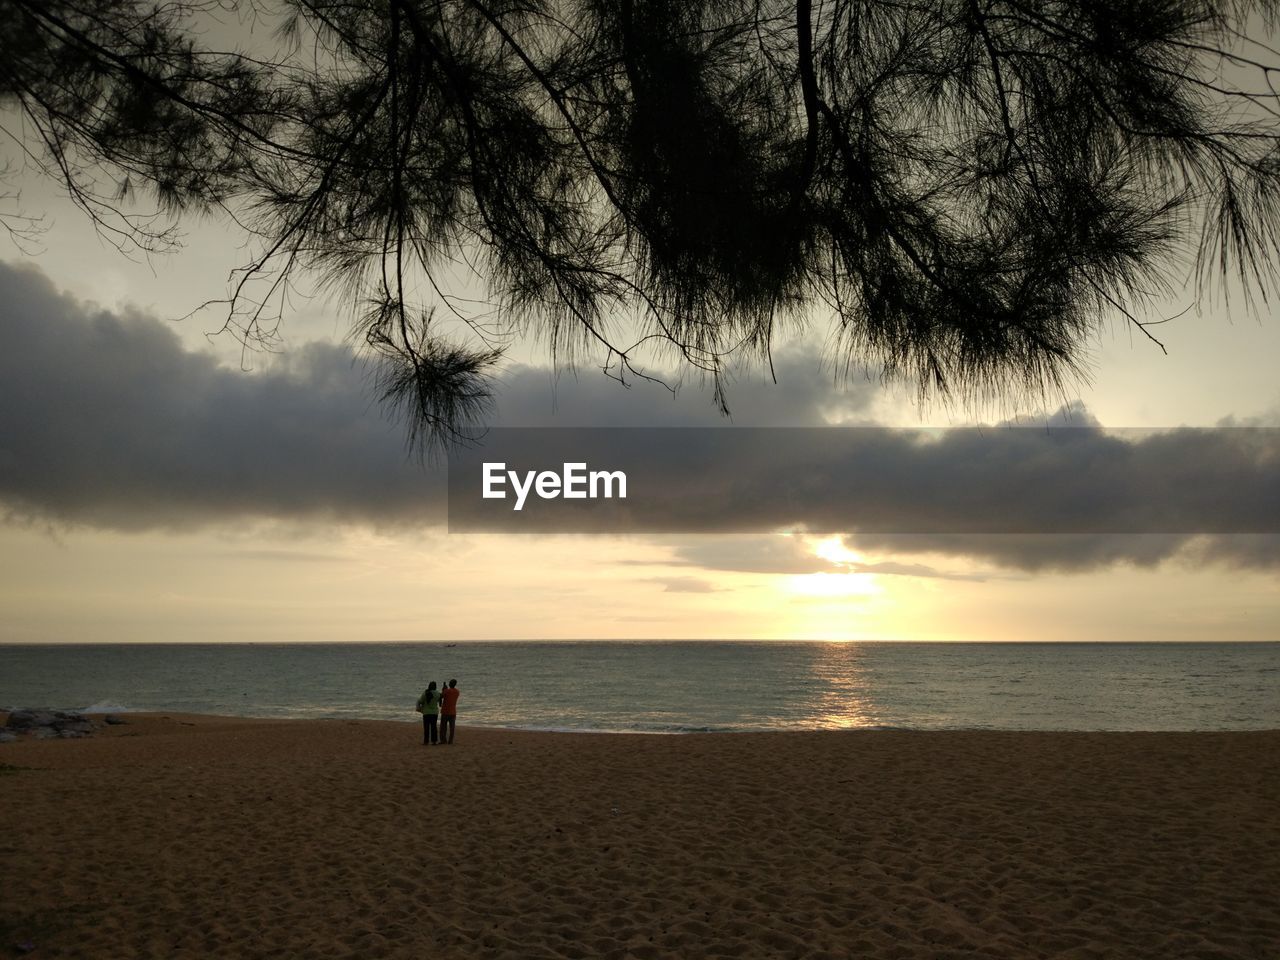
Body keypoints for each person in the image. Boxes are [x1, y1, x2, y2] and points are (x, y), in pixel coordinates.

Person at [416, 681, 441, 745]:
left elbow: (420, 701)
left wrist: (419, 708)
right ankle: (434, 741)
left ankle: (426, 741)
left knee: (426, 727)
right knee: (434, 727)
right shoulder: (437, 693)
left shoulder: (425, 693)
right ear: (435, 686)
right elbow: (439, 700)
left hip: (426, 712)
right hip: (434, 712)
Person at [439, 679, 460, 744]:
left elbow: (441, 696)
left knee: (443, 727)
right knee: (452, 728)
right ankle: (450, 741)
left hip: (445, 711)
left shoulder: (446, 691)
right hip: (453, 712)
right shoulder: (457, 691)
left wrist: (443, 690)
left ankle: (443, 740)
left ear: (450, 684)